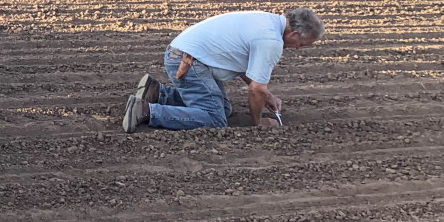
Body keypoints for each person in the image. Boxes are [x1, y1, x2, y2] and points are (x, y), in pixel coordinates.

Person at [122, 7, 324, 133]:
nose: (298, 49)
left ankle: (157, 93)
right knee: (215, 118)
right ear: (295, 34)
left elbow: (249, 71)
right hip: (189, 61)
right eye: (302, 44)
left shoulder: (267, 21)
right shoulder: (271, 41)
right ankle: (146, 111)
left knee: (224, 109)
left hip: (186, 54)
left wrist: (268, 95)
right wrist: (258, 121)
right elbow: (256, 89)